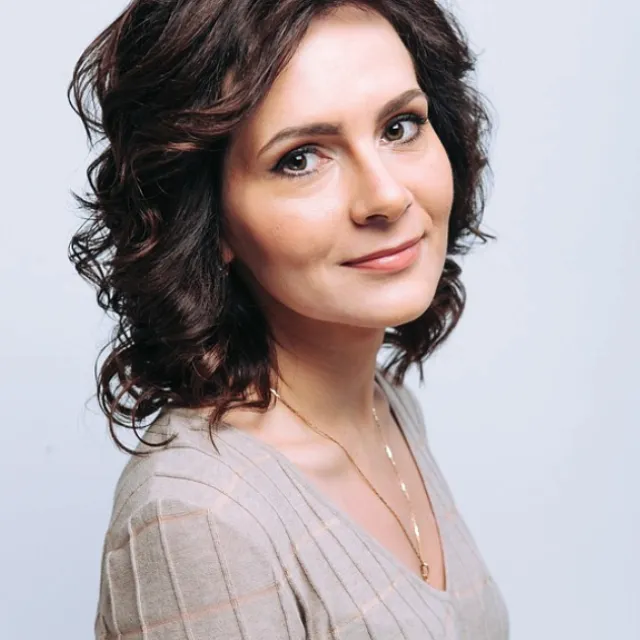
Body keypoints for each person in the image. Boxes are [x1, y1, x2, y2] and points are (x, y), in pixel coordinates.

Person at [69, 0, 509, 637]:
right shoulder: (198, 516)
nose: (386, 196)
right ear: (209, 218)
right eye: (300, 158)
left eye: (400, 127)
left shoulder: (385, 410)